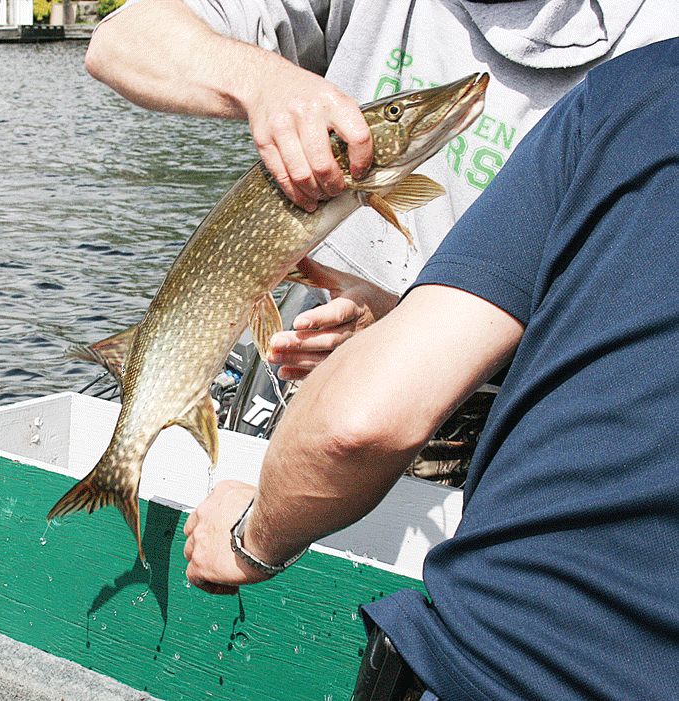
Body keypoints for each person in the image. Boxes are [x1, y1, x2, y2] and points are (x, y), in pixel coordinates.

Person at [183, 37, 679, 700]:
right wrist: (264, 81)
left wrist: (251, 537)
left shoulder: (634, 93)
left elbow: (358, 423)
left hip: (489, 664)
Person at [85, 0, 679, 380]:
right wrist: (261, 79)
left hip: (488, 410)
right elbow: (122, 41)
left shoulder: (657, 49)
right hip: (296, 368)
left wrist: (397, 325)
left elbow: (627, 330)